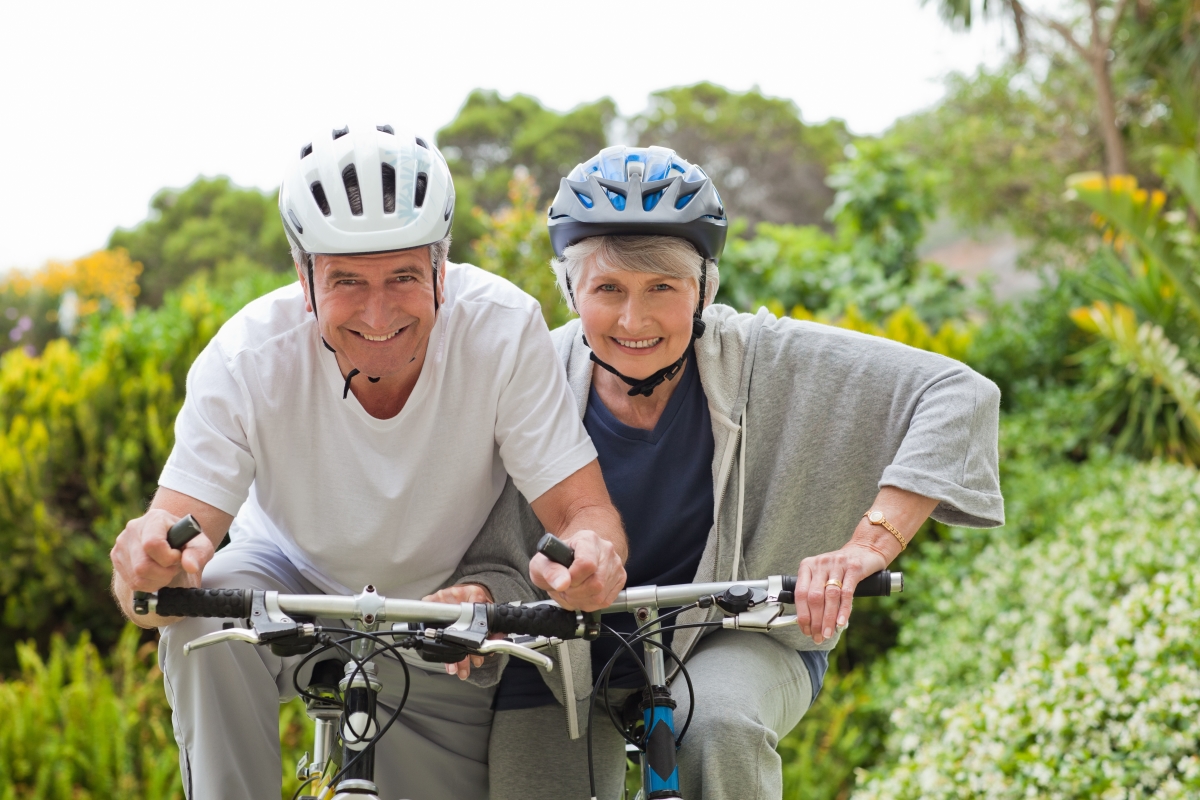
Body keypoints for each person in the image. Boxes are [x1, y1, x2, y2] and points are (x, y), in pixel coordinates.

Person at [453, 145, 1004, 800]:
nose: (634, 319)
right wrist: (480, 591)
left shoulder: (763, 355)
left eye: (663, 287)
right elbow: (479, 537)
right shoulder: (530, 376)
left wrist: (868, 546)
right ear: (569, 290)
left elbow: (957, 394)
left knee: (718, 723)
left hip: (734, 633)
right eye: (608, 289)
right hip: (565, 650)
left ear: (705, 289)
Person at [108, 122, 628, 800]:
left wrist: (593, 560)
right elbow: (159, 575)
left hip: (439, 622)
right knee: (202, 617)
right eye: (347, 280)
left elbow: (585, 513)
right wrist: (145, 572)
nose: (378, 314)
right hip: (285, 588)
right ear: (304, 279)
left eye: (405, 276)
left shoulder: (503, 329)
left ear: (442, 270)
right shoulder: (244, 359)